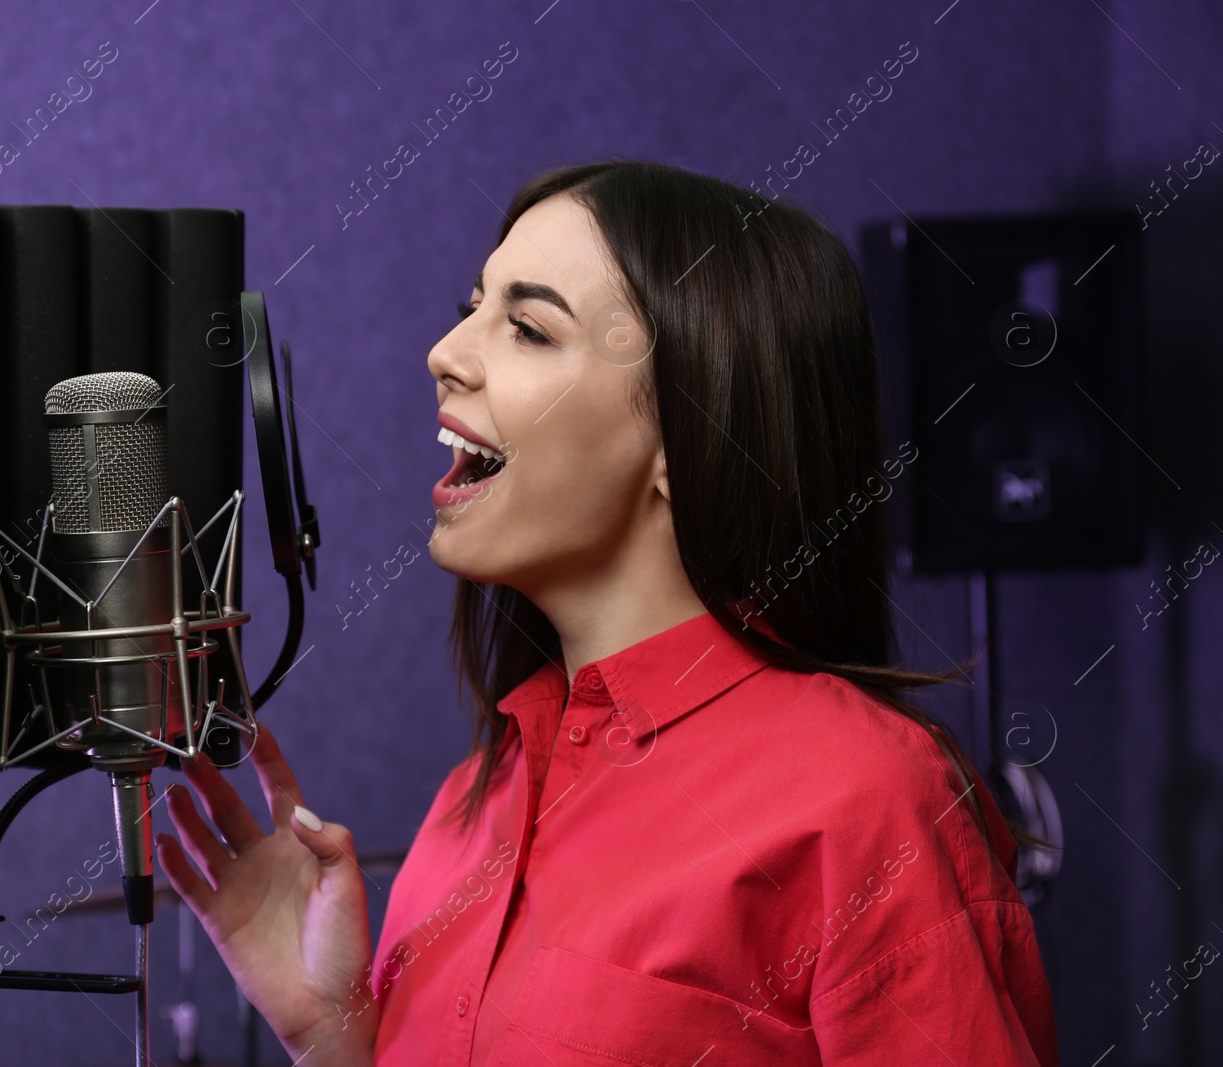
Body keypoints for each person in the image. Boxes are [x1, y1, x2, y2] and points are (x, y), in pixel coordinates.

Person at [155, 160, 1059, 1066]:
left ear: (689, 433)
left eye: (526, 327)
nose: (445, 351)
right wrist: (335, 1038)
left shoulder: (868, 796)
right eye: (473, 305)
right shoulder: (466, 811)